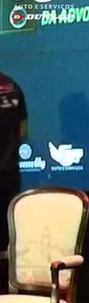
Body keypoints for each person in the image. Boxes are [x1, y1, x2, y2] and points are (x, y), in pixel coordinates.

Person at [0, 72, 27, 291]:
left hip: (7, 173)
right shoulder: (12, 85)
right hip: (9, 174)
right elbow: (23, 130)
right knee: (8, 239)